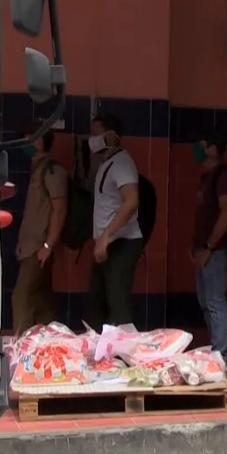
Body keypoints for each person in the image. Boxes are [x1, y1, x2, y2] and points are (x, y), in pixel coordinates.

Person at [86, 113, 144, 330]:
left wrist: (107, 235)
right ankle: (102, 354)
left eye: (95, 134)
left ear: (110, 136)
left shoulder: (122, 164)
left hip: (121, 242)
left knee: (117, 302)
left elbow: (131, 201)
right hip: (107, 243)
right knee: (96, 300)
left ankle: (126, 356)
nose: (91, 139)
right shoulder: (107, 164)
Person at [12, 122, 67, 335]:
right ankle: (53, 344)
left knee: (21, 297)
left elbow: (59, 210)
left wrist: (47, 245)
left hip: (38, 248)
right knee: (42, 302)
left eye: (29, 138)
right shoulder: (37, 171)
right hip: (30, 248)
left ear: (39, 141)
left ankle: (22, 347)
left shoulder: (52, 171)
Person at [191, 133, 227, 367]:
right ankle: (217, 348)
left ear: (214, 149)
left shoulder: (223, 177)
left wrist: (209, 246)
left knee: (215, 302)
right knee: (205, 302)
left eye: (203, 143)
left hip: (215, 251)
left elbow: (226, 213)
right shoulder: (206, 177)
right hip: (203, 249)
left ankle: (223, 354)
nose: (197, 147)